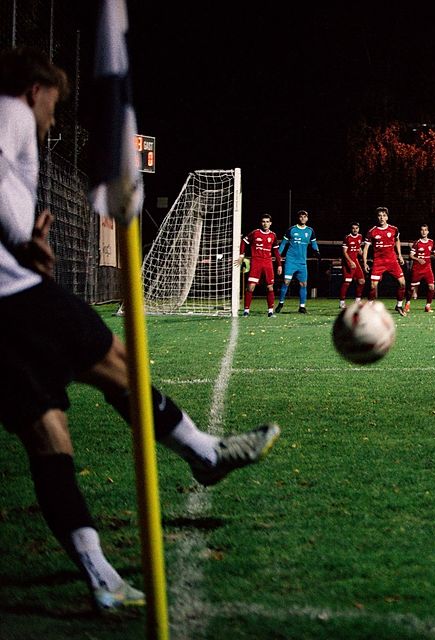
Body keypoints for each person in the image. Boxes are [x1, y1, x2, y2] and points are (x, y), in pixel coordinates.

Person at [0, 47, 280, 612]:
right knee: (119, 365)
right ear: (35, 90)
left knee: (48, 437)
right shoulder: (11, 110)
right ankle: (204, 453)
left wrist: (24, 234)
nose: (54, 120)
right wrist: (20, 236)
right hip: (15, 297)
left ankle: (102, 576)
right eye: (54, 105)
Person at [361, 206, 407, 316]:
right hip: (379, 262)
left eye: (384, 215)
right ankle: (370, 306)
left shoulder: (394, 229)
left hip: (392, 261)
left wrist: (400, 255)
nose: (382, 218)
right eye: (380, 216)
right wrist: (365, 262)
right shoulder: (372, 231)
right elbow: (366, 248)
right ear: (377, 217)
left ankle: (399, 305)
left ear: (387, 217)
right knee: (373, 286)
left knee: (402, 283)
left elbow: (397, 240)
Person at [235, 213, 282, 317]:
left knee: (270, 287)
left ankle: (270, 311)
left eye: (267, 222)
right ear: (261, 223)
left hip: (268, 263)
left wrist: (279, 265)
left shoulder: (273, 235)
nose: (265, 224)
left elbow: (276, 251)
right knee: (251, 287)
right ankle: (246, 311)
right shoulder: (255, 233)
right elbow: (244, 242)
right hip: (256, 262)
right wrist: (242, 255)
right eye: (263, 222)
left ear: (270, 223)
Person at [276, 209, 319, 314]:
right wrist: (278, 256)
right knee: (286, 282)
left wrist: (317, 252)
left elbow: (314, 244)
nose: (303, 218)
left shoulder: (310, 231)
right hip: (290, 261)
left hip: (302, 263)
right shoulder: (291, 230)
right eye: (301, 216)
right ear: (298, 218)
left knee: (303, 284)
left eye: (305, 216)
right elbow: (283, 244)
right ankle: (281, 303)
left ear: (307, 218)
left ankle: (302, 307)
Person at [405, 223, 435, 313]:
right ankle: (407, 303)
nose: (424, 232)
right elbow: (411, 255)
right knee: (412, 288)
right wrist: (418, 259)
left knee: (431, 287)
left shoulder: (431, 242)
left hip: (427, 268)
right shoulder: (417, 243)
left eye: (425, 230)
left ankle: (428, 306)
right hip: (417, 269)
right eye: (422, 230)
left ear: (428, 232)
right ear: (420, 231)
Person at [339, 221, 365, 309]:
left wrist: (362, 253)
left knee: (361, 281)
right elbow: (344, 252)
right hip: (347, 262)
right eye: (353, 228)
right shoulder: (347, 238)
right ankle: (342, 302)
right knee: (347, 282)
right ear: (351, 229)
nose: (355, 230)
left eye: (356, 228)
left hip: (356, 261)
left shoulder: (360, 236)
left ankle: (358, 300)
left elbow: (358, 248)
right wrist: (350, 262)